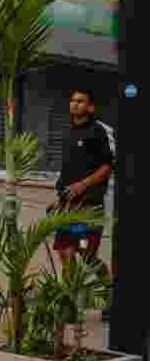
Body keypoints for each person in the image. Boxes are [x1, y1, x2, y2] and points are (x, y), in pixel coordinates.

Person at [51, 88, 114, 275]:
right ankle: (72, 298)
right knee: (65, 253)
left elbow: (107, 167)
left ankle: (105, 282)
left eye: (80, 101)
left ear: (91, 107)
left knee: (86, 254)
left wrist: (83, 184)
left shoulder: (99, 130)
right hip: (67, 206)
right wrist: (60, 198)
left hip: (89, 205)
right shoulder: (69, 132)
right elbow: (68, 170)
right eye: (73, 100)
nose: (75, 104)